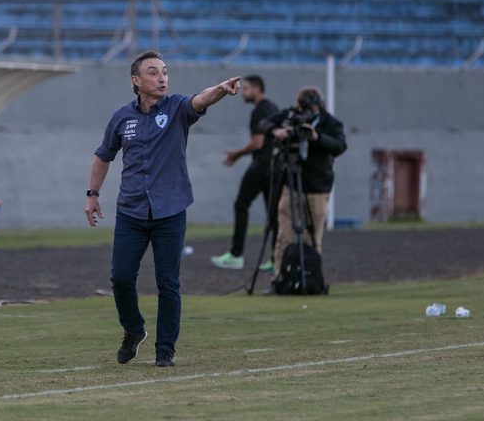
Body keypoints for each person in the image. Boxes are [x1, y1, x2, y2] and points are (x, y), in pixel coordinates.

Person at [85, 50, 241, 367]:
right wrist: (92, 194)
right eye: (154, 72)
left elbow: (200, 100)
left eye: (165, 72)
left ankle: (164, 351)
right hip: (131, 210)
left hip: (170, 211)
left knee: (168, 283)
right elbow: (104, 156)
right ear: (136, 80)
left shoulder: (177, 108)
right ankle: (133, 329)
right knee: (121, 277)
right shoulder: (121, 118)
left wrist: (221, 89)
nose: (162, 78)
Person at [263, 87, 346, 294]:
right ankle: (280, 280)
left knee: (313, 237)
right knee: (285, 234)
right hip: (291, 183)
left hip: (317, 186)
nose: (307, 112)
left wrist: (317, 137)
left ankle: (311, 279)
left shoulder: (331, 123)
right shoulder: (291, 115)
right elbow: (264, 123)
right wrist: (277, 131)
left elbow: (340, 146)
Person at [210, 75, 280, 271]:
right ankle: (277, 258)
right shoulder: (273, 108)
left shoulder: (259, 111)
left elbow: (258, 143)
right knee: (273, 214)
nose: (243, 92)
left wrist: (236, 154)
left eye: (247, 88)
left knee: (241, 205)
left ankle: (236, 255)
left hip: (261, 165)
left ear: (257, 89)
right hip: (275, 165)